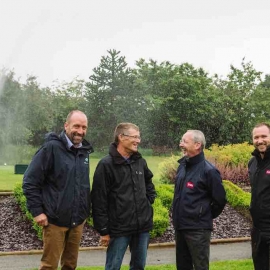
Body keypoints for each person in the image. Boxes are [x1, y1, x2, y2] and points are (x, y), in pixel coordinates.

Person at [23, 110, 94, 270]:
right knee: (49, 266)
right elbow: (30, 181)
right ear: (66, 125)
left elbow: (81, 184)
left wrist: (85, 211)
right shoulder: (51, 148)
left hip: (77, 221)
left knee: (70, 265)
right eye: (76, 126)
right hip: (54, 221)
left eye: (84, 127)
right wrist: (37, 211)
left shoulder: (84, 152)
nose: (80, 131)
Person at [91, 122, 156, 270]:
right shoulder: (106, 165)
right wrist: (103, 231)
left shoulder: (140, 161)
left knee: (139, 266)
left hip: (142, 227)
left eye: (139, 137)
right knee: (113, 267)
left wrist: (148, 199)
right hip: (118, 229)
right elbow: (98, 199)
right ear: (121, 137)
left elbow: (148, 183)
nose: (138, 141)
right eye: (134, 137)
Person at [172, 129, 226, 270]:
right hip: (180, 227)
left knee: (201, 266)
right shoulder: (182, 166)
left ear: (197, 145)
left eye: (184, 141)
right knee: (182, 266)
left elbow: (220, 200)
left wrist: (203, 214)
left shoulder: (209, 171)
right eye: (181, 141)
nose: (181, 144)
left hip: (198, 230)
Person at [248, 122, 270, 270]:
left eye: (264, 136)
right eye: (256, 137)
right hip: (257, 230)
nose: (260, 140)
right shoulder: (252, 162)